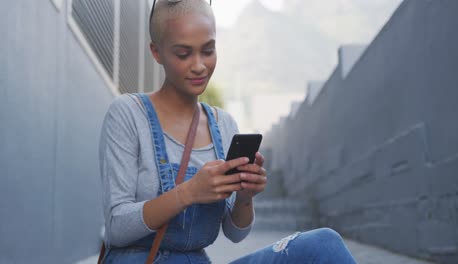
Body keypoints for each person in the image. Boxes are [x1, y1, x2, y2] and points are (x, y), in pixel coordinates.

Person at [98, 0, 357, 263]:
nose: (199, 65)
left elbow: (235, 233)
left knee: (322, 244)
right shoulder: (128, 113)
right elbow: (117, 228)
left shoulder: (223, 125)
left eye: (208, 50)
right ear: (157, 52)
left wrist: (245, 196)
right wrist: (188, 192)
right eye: (183, 53)